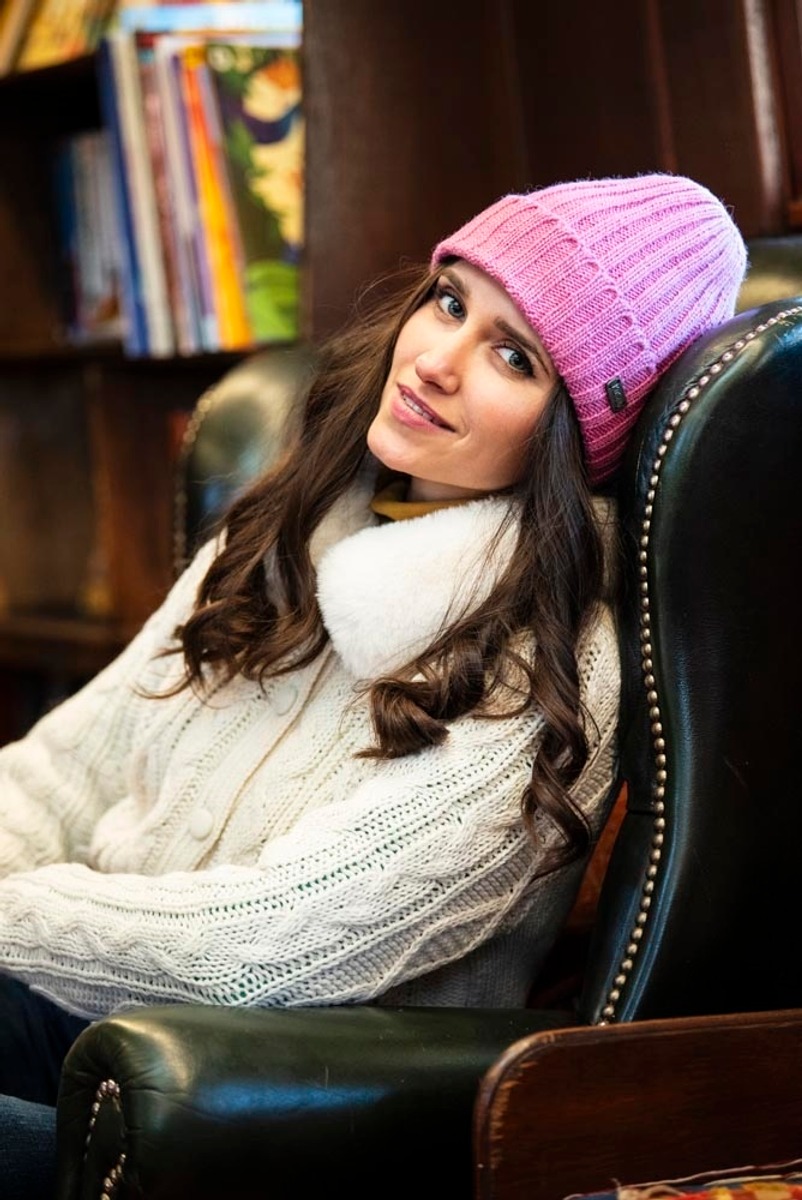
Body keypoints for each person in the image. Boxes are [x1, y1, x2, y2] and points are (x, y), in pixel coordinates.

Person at [0, 172, 747, 1192]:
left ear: (578, 434)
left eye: (514, 357)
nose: (436, 359)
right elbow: (59, 775)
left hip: (250, 1114)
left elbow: (260, 949)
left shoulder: (557, 678)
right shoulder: (287, 526)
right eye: (450, 301)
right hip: (72, 1017)